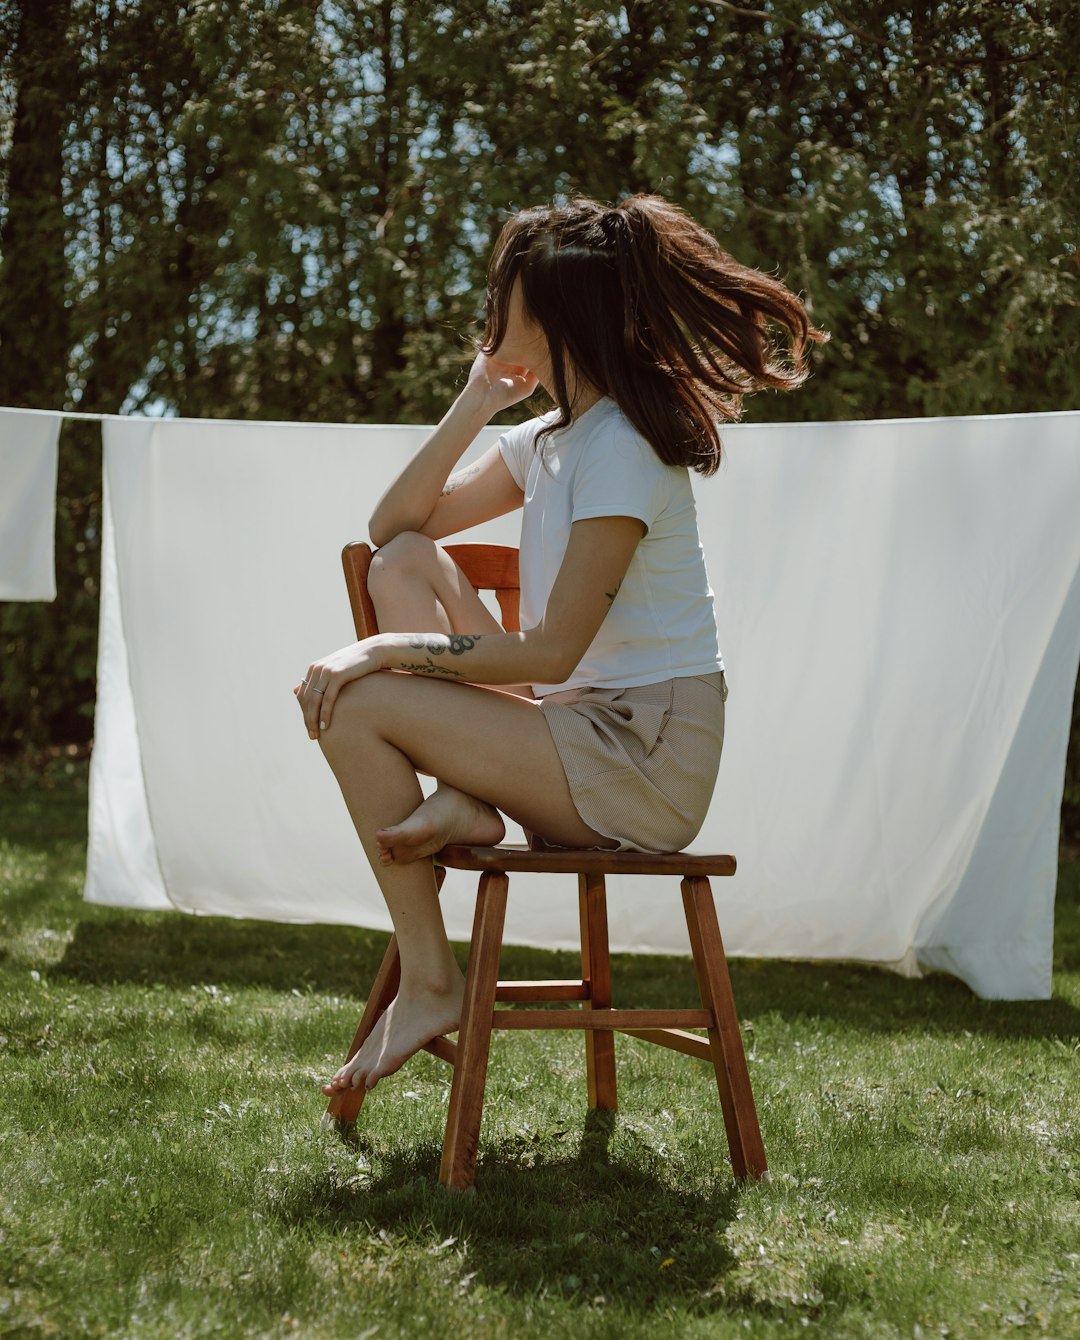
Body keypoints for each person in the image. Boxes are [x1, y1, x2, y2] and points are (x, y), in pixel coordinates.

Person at [298, 194, 825, 1096]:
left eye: (502, 292)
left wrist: (378, 655)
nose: (488, 307)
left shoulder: (622, 447)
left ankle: (431, 982)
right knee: (407, 558)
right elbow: (391, 524)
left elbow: (546, 655)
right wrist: (478, 396)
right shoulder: (548, 438)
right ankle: (464, 808)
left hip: (646, 755)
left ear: (549, 312)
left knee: (358, 704)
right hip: (573, 730)